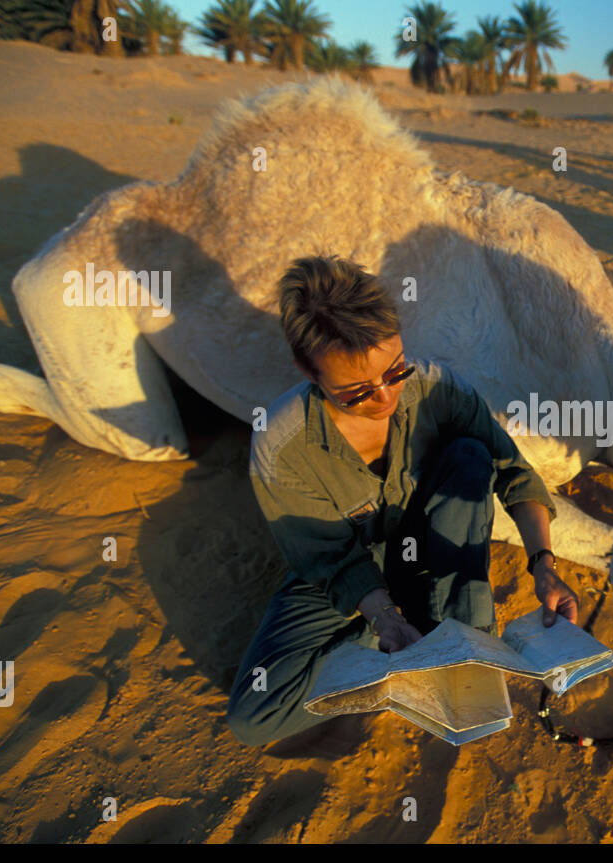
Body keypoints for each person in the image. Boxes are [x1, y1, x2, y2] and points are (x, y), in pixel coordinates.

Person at [226, 255, 579, 746]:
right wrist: (384, 619)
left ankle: (460, 646)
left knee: (472, 455)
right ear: (308, 370)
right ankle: (402, 653)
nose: (384, 398)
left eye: (394, 371)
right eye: (355, 392)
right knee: (256, 715)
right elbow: (328, 561)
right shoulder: (282, 445)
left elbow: (513, 472)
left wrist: (543, 562)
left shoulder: (437, 389)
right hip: (347, 570)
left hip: (434, 546)